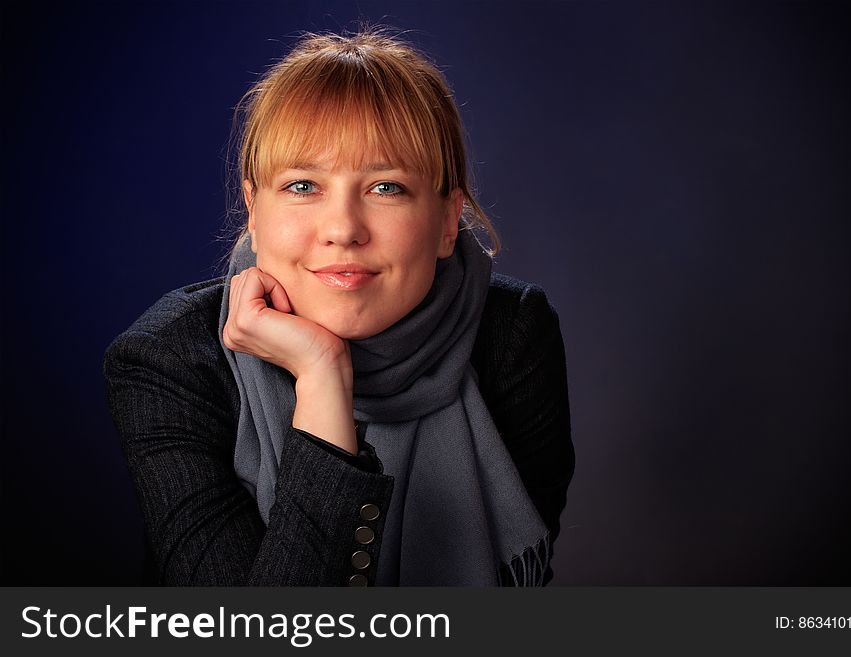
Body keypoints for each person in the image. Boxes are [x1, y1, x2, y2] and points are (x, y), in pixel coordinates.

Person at [104, 29, 575, 586]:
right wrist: (322, 375)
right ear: (254, 209)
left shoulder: (510, 336)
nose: (343, 230)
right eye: (303, 185)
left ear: (449, 220)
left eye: (386, 188)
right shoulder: (169, 362)